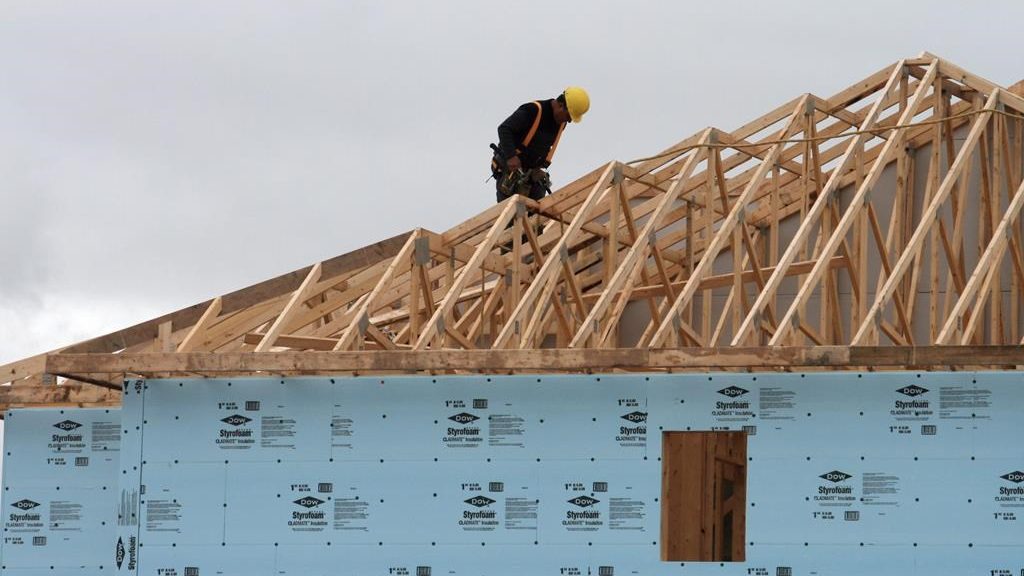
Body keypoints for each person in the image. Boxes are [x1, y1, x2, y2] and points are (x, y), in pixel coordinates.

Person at [491, 87, 590, 203]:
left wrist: (537, 168)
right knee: (509, 213)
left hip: (531, 174)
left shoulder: (560, 124)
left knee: (539, 214)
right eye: (569, 116)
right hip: (511, 171)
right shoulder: (532, 111)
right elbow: (504, 129)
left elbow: (541, 146)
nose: (569, 121)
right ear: (560, 105)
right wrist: (511, 156)